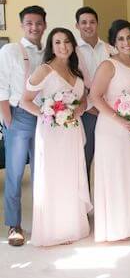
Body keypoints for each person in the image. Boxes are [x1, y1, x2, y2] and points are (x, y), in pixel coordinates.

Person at [20, 28, 92, 246]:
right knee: (54, 177)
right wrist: (46, 113)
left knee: (71, 175)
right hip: (51, 132)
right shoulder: (45, 70)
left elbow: (84, 100)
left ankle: (72, 225)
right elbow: (25, 101)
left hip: (72, 131)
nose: (63, 46)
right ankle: (54, 229)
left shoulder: (76, 71)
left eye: (67, 41)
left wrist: (79, 110)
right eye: (58, 42)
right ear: (51, 46)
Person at [90, 19, 130, 242]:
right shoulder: (108, 65)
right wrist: (119, 119)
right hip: (113, 128)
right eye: (120, 39)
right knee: (117, 174)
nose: (126, 42)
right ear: (114, 42)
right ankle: (118, 226)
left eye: (129, 37)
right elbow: (95, 97)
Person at [0, 5, 47, 247]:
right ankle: (14, 225)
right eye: (29, 23)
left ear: (45, 25)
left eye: (38, 23)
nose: (34, 27)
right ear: (22, 25)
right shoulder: (11, 50)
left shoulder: (48, 51)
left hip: (45, 115)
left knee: (42, 171)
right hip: (18, 115)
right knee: (16, 173)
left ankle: (43, 220)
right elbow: (2, 86)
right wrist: (8, 119)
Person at [75, 6, 113, 177]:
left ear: (97, 24)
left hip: (109, 109)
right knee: (85, 157)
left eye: (92, 22)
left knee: (109, 156)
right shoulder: (72, 51)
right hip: (86, 111)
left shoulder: (110, 49)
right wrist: (90, 105)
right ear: (77, 25)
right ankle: (86, 202)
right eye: (84, 22)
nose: (88, 26)